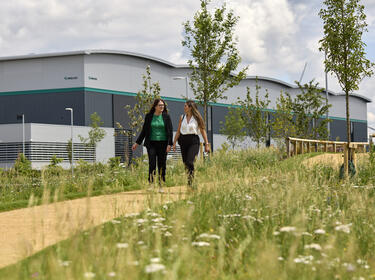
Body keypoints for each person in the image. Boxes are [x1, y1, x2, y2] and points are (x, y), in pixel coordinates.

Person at [132, 99, 173, 188]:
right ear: (155, 106)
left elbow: (170, 131)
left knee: (162, 164)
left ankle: (161, 184)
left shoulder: (166, 116)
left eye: (163, 105)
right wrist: (137, 143)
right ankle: (151, 183)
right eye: (160, 105)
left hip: (163, 143)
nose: (162, 107)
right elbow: (144, 131)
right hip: (151, 144)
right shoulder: (149, 116)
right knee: (152, 163)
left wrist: (170, 144)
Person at [173, 100, 209, 188]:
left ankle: (191, 182)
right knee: (185, 163)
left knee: (190, 161)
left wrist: (206, 143)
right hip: (183, 140)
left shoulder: (197, 118)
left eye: (185, 106)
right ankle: (189, 179)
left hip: (193, 141)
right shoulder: (182, 117)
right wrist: (174, 143)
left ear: (190, 107)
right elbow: (178, 131)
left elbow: (202, 130)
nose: (184, 107)